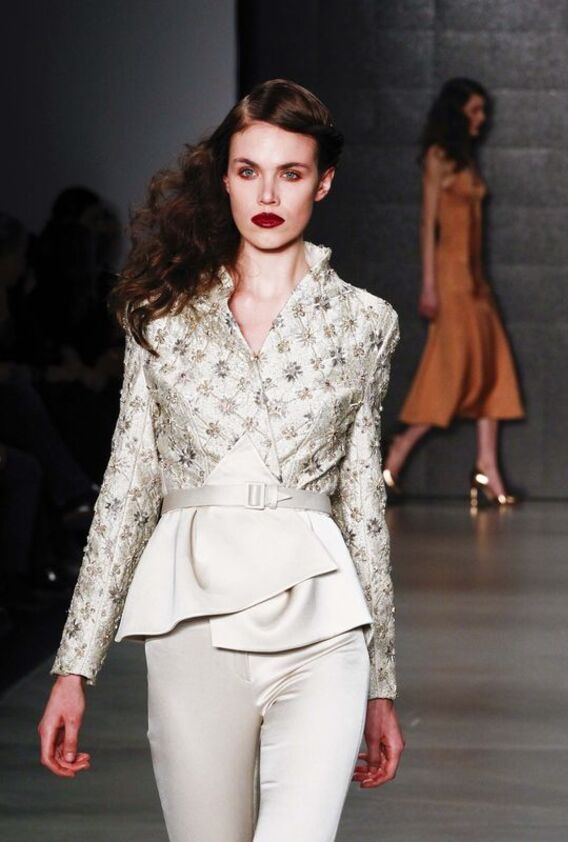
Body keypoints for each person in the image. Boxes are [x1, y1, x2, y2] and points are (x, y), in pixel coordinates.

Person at [38, 79, 405, 841]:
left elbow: (364, 502)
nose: (267, 194)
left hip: (323, 630)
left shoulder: (365, 322)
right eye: (248, 170)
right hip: (192, 627)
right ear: (225, 179)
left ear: (323, 182)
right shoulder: (163, 319)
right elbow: (128, 489)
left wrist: (382, 685)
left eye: (291, 173)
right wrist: (75, 667)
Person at [383, 77, 524, 508]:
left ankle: (487, 466)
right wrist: (429, 284)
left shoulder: (465, 159)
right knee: (450, 370)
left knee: (493, 367)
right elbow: (429, 224)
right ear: (457, 112)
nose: (482, 118)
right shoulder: (438, 156)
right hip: (450, 278)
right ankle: (397, 453)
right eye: (475, 110)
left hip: (476, 280)